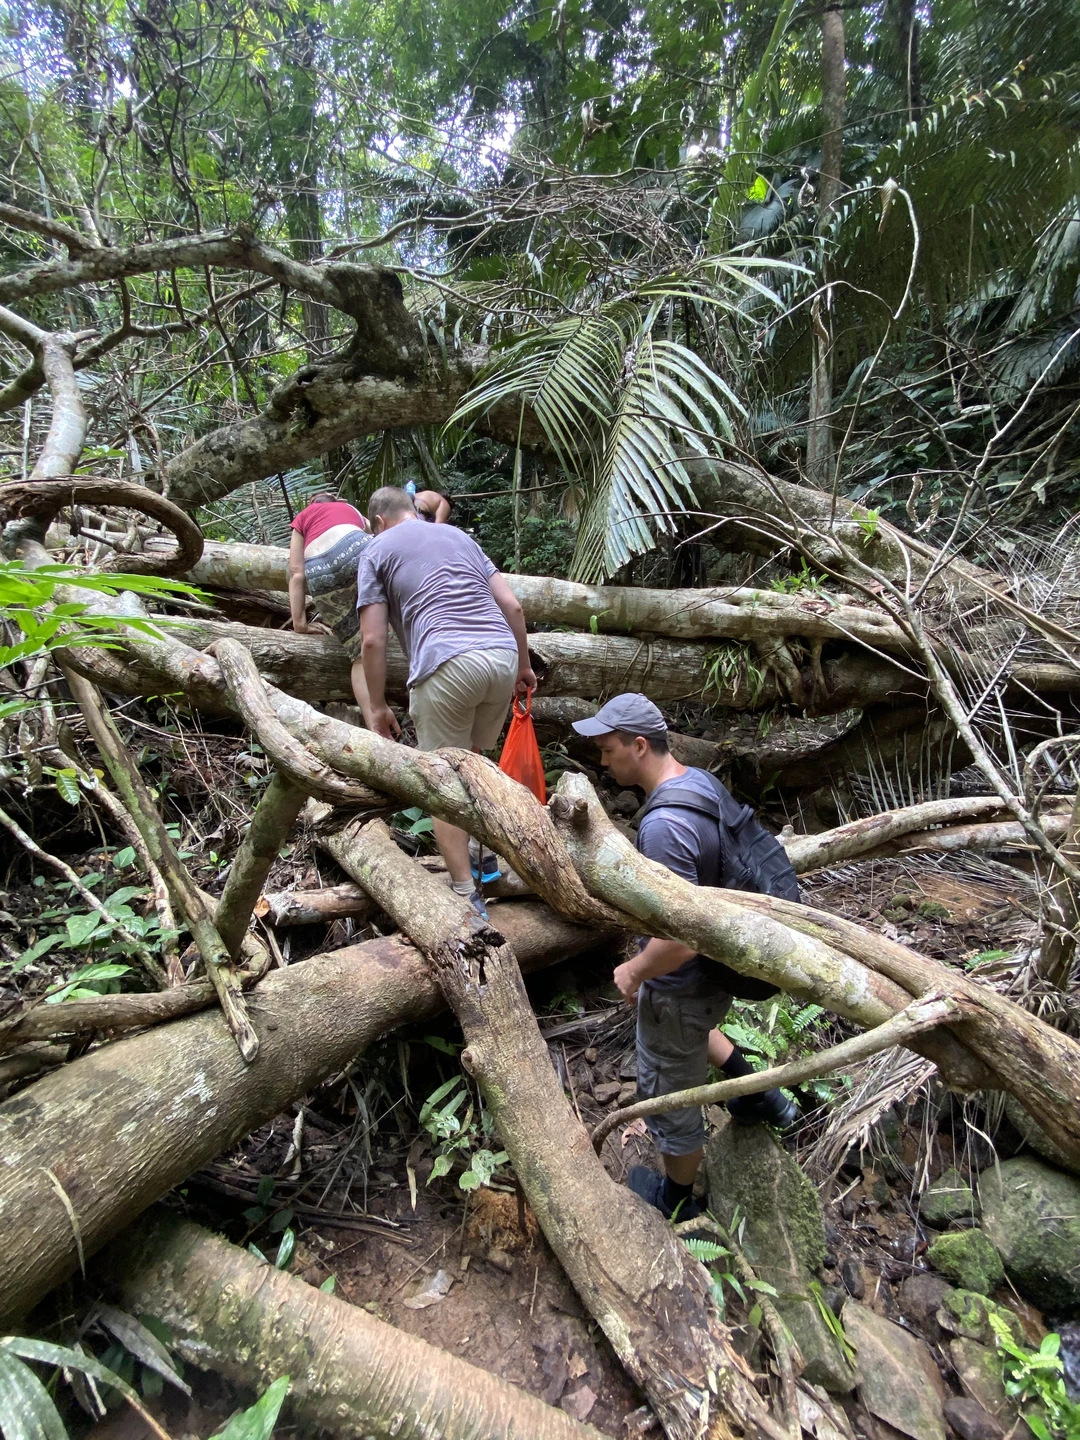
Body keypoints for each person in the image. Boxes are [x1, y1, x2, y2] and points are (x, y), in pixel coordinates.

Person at [572, 693, 798, 1222]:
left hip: (688, 976)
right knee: (690, 1030)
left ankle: (677, 1198)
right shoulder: (697, 782)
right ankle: (762, 1098)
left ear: (640, 745)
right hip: (723, 966)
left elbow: (680, 940)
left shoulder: (663, 826)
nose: (603, 762)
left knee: (670, 1083)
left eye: (609, 750)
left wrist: (634, 971)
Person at [356, 486, 536, 916]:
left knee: (443, 784)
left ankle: (464, 896)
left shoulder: (376, 548)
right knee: (472, 765)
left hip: (448, 663)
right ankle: (484, 860)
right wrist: (524, 668)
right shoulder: (459, 537)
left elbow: (372, 639)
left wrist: (378, 706)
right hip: (501, 658)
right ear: (411, 511)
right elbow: (511, 605)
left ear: (378, 522)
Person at [289, 494, 372, 714]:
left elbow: (297, 573)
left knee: (359, 655)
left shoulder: (302, 518)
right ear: (335, 501)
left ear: (312, 504)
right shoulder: (348, 507)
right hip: (354, 547)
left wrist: (300, 623)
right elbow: (379, 530)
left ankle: (375, 726)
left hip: (318, 570)